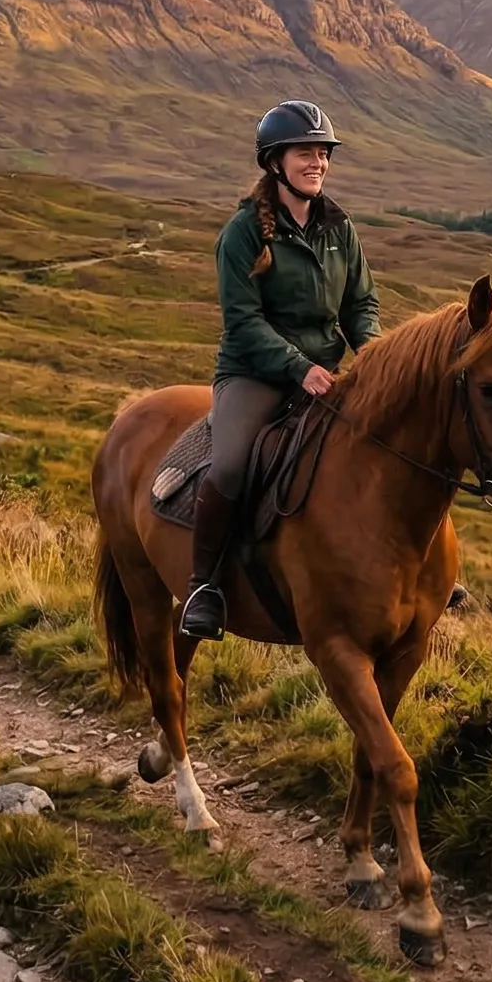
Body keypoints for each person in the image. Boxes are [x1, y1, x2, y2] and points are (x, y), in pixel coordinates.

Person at [179, 100, 379, 641]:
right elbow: (242, 321)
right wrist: (298, 368)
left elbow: (360, 305)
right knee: (231, 466)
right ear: (275, 162)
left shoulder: (340, 228)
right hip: (254, 376)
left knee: (393, 444)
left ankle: (408, 571)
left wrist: (377, 356)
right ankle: (205, 585)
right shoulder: (244, 233)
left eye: (322, 153)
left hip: (328, 372)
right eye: (304, 153)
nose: (317, 162)